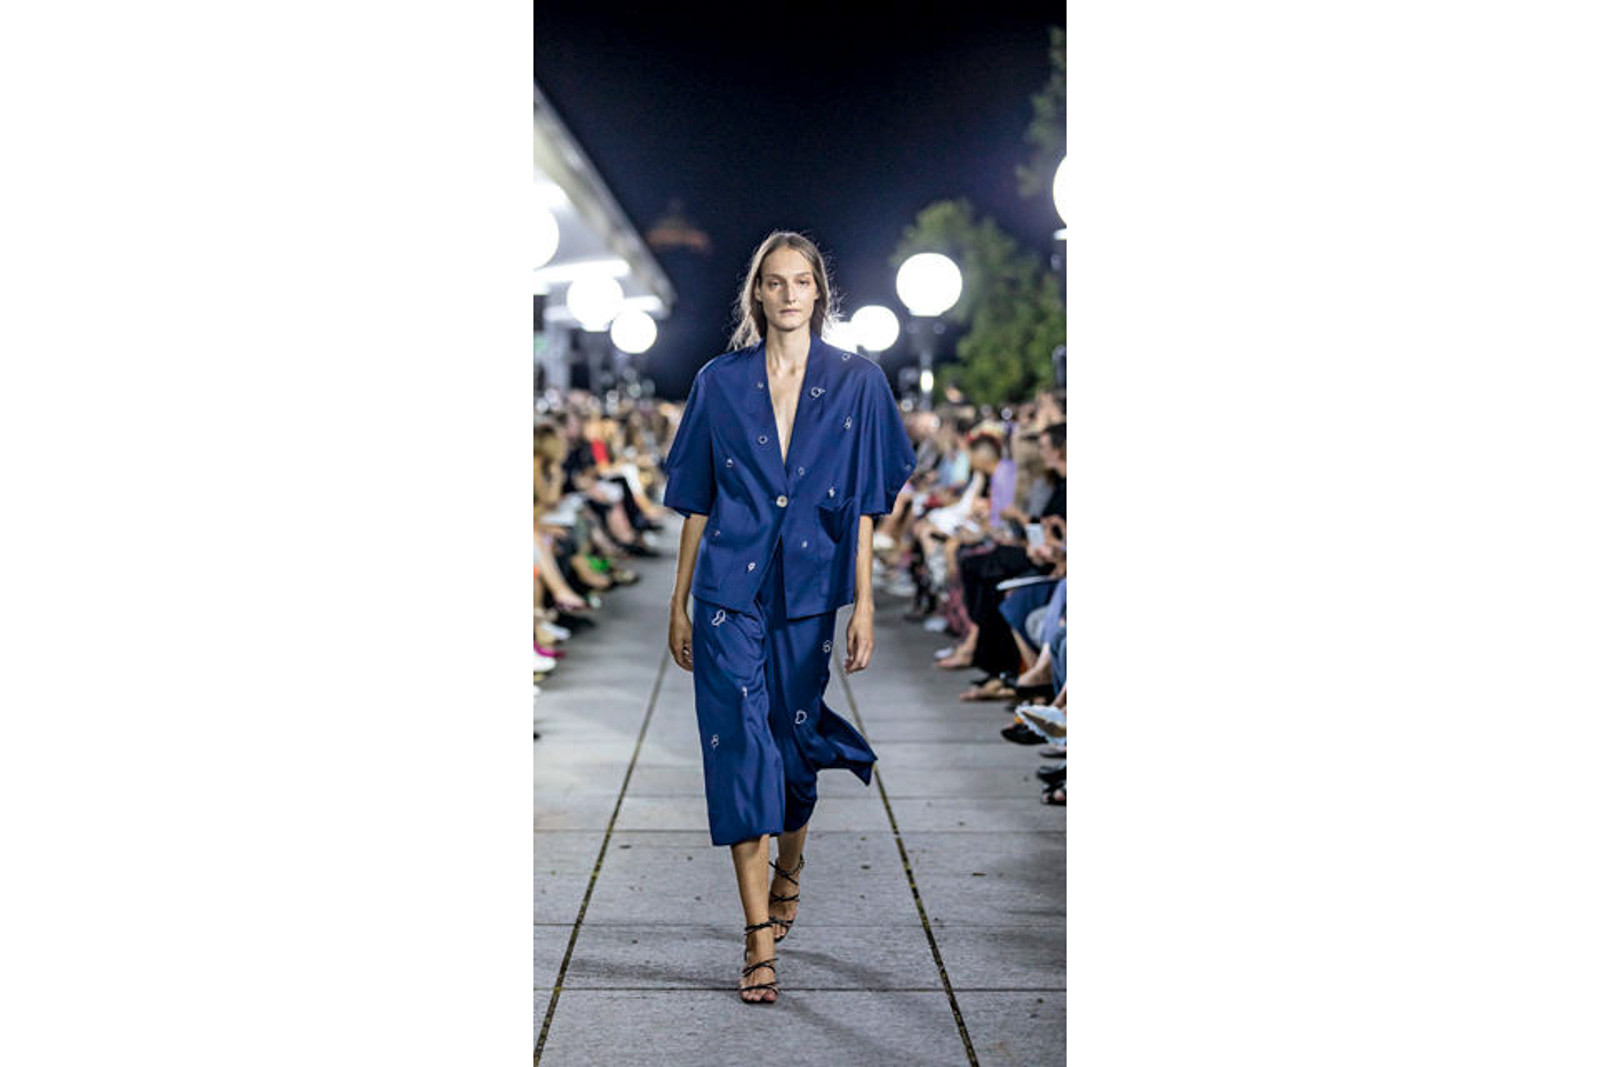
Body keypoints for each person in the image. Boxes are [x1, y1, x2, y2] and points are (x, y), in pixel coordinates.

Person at [660, 230, 917, 1004]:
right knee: (741, 748)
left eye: (801, 280)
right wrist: (679, 600)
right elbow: (697, 498)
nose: (788, 293)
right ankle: (757, 937)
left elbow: (867, 502)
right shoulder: (719, 381)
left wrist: (864, 603)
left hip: (808, 590)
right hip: (727, 591)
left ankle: (791, 865)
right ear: (758, 294)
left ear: (819, 292)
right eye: (774, 281)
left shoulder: (858, 382)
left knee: (795, 750)